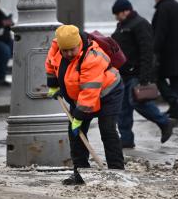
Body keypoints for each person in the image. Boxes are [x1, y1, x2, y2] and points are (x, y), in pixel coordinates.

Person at [46, 25, 125, 185]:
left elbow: (90, 91)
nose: (68, 54)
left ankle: (117, 173)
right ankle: (80, 172)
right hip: (82, 97)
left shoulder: (91, 57)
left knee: (108, 130)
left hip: (108, 93)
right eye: (65, 50)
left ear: (79, 45)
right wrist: (53, 83)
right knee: (75, 134)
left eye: (72, 50)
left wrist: (79, 116)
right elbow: (50, 64)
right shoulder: (57, 49)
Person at [110, 0, 173, 148]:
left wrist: (145, 77)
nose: (116, 17)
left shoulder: (140, 24)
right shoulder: (121, 26)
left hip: (136, 74)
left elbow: (147, 52)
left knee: (138, 102)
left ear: (126, 10)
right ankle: (126, 139)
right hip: (123, 75)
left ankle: (164, 122)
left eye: (118, 14)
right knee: (122, 109)